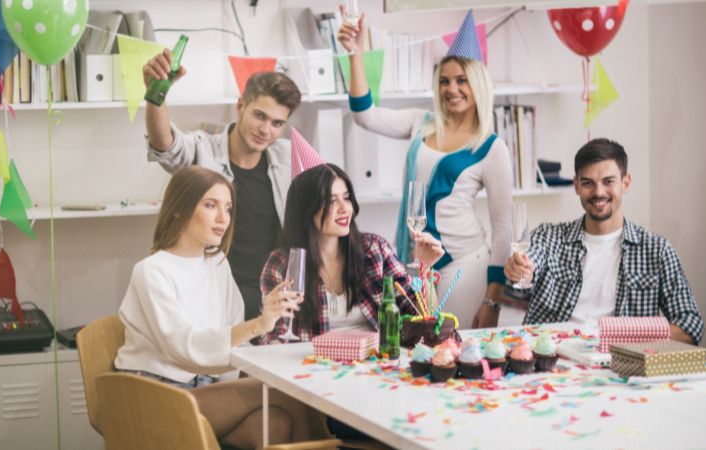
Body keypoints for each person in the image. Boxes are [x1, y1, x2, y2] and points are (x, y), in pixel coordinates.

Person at [115, 166, 326, 448]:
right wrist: (260, 324)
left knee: (276, 424)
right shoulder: (151, 271)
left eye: (227, 208)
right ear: (179, 208)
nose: (222, 218)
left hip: (207, 391)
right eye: (210, 205)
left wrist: (267, 353)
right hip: (154, 396)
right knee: (286, 393)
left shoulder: (217, 264)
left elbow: (232, 338)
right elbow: (183, 347)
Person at [337, 12, 513, 329]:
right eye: (444, 81)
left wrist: (493, 301)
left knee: (446, 344)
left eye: (462, 80)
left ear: (478, 85)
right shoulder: (421, 122)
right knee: (415, 349)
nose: (452, 89)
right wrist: (355, 53)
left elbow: (503, 229)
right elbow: (364, 115)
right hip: (414, 260)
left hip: (462, 263)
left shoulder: (491, 147)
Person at [142, 51, 302, 321]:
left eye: (277, 123)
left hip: (271, 297)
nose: (266, 130)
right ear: (241, 106)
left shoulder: (287, 156)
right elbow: (165, 146)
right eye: (259, 116)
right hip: (212, 296)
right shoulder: (202, 149)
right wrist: (156, 94)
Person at [502, 139, 704, 344]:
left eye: (608, 181)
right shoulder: (548, 237)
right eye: (588, 183)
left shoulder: (657, 250)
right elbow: (529, 265)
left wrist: (625, 339)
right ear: (576, 186)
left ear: (626, 183)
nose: (598, 192)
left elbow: (691, 325)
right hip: (550, 361)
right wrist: (522, 270)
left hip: (620, 365)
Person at [260, 163, 444, 342]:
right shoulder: (282, 263)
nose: (344, 208)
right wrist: (268, 321)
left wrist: (424, 269)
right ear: (306, 209)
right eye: (330, 200)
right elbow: (275, 336)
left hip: (376, 361)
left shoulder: (374, 250)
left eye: (346, 197)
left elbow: (418, 316)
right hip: (312, 366)